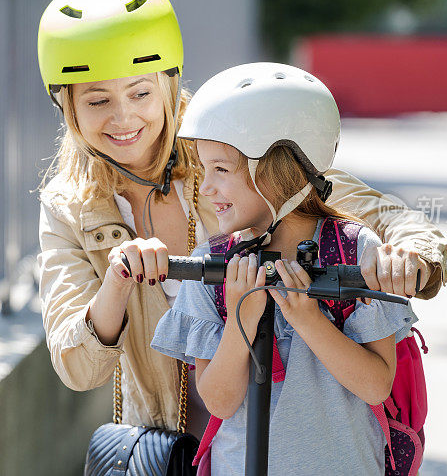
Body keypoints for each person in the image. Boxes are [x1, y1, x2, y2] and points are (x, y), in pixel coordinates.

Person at [37, 0, 447, 439]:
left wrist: (412, 257)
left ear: (169, 84)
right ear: (66, 104)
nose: (124, 117)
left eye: (140, 93)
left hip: (277, 442)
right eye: (97, 100)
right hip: (170, 445)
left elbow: (375, 211)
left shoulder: (228, 147)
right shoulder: (70, 205)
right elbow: (78, 368)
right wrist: (117, 279)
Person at [150, 62, 416, 474]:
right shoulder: (213, 267)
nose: (206, 187)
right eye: (205, 170)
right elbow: (219, 402)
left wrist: (309, 319)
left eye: (221, 169)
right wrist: (242, 316)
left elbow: (376, 385)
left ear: (278, 171)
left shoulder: (353, 250)